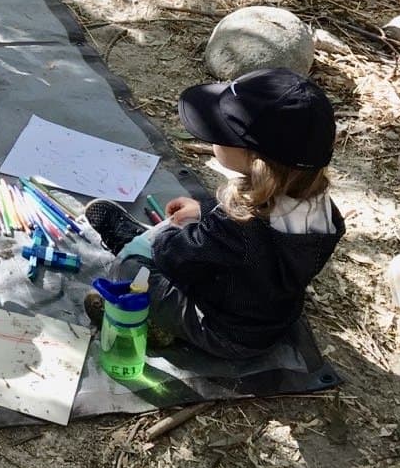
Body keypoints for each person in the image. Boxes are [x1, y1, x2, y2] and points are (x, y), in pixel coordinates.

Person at [84, 68, 345, 359]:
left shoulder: (238, 229)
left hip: (222, 332)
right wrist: (204, 212)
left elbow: (176, 256)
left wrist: (166, 234)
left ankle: (154, 311)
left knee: (130, 266)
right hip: (266, 319)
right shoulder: (325, 212)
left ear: (254, 158)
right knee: (188, 231)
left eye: (222, 130)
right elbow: (254, 252)